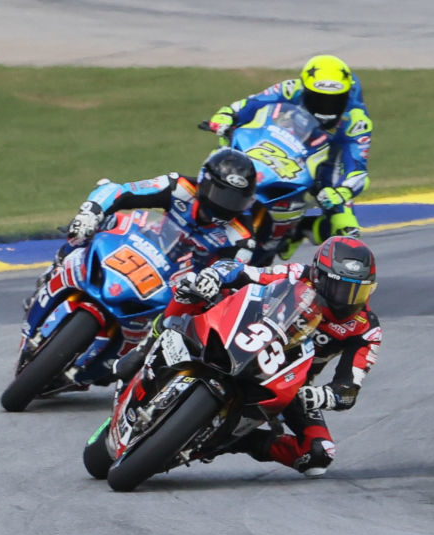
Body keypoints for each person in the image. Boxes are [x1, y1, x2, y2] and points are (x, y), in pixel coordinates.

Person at [157, 236, 383, 478]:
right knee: (192, 287)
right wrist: (215, 277)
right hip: (243, 337)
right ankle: (147, 347)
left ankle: (229, 441)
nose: (347, 299)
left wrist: (322, 396)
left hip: (291, 382)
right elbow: (240, 271)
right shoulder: (297, 274)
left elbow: (349, 388)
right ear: (318, 275)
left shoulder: (366, 328)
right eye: (340, 288)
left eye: (357, 291)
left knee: (319, 455)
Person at [26, 148, 259, 350]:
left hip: (180, 283)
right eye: (221, 194)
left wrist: (212, 278)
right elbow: (119, 191)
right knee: (101, 224)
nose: (224, 205)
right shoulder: (179, 186)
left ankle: (140, 363)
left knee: (202, 315)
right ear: (204, 182)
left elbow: (234, 268)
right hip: (144, 247)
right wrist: (91, 211)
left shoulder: (242, 236)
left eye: (234, 201)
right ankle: (50, 275)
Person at [203, 54, 371, 260]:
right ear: (306, 89)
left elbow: (357, 167)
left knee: (346, 230)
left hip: (329, 159)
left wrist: (342, 191)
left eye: (335, 101)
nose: (326, 108)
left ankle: (301, 231)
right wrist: (226, 115)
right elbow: (252, 103)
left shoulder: (356, 121)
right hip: (288, 144)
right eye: (319, 99)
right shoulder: (291, 88)